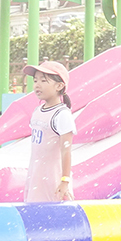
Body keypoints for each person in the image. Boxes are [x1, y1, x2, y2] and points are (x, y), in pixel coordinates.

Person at [23, 60, 75, 202]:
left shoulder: (62, 114)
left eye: (43, 81)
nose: (37, 85)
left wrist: (64, 181)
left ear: (59, 86)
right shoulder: (37, 111)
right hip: (36, 178)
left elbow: (66, 151)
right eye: (35, 80)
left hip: (54, 181)